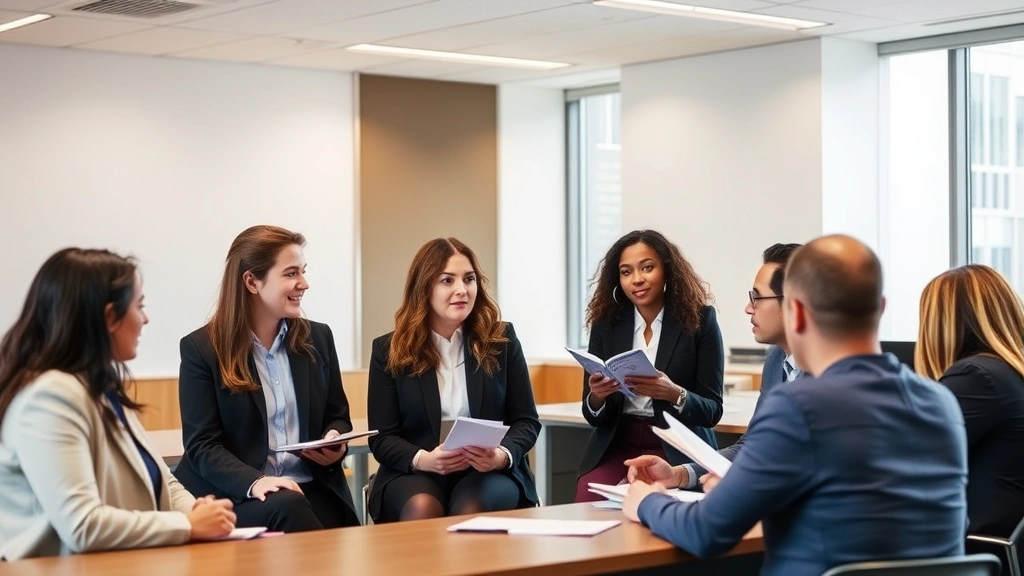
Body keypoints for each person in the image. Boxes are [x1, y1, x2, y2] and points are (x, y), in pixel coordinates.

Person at [623, 235, 967, 576]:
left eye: (755, 298)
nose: (748, 308)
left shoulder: (800, 407)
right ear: (880, 309)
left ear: (796, 311)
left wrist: (646, 502)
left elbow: (706, 533)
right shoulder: (942, 403)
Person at [0, 248, 235, 560]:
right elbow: (82, 526)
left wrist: (195, 509)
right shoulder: (49, 397)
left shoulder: (100, 385)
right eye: (139, 306)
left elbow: (161, 476)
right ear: (110, 317)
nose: (145, 318)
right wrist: (187, 524)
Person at [175, 225, 359, 532]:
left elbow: (337, 417)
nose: (304, 283)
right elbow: (202, 446)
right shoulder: (201, 349)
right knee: (289, 506)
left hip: (310, 485)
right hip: (237, 494)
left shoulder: (319, 337)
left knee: (323, 517)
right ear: (252, 282)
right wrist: (257, 481)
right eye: (290, 273)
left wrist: (333, 443)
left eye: (303, 271)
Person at [367, 238, 540, 523]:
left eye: (469, 279)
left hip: (489, 470)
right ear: (424, 288)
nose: (462, 290)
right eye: (447, 280)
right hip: (416, 469)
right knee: (422, 508)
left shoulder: (502, 340)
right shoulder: (389, 350)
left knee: (470, 509)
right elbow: (383, 438)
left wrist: (501, 455)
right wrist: (424, 459)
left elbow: (526, 421)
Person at [627, 243, 802, 490]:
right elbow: (752, 446)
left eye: (757, 298)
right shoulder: (776, 360)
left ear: (794, 304)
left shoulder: (829, 376)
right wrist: (678, 475)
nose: (748, 308)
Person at [576, 229, 724, 503]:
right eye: (626, 272)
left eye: (647, 268)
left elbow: (713, 411)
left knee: (661, 509)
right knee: (588, 500)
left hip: (677, 443)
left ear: (666, 270)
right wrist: (597, 396)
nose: (637, 279)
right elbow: (593, 415)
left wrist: (674, 393)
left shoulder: (700, 321)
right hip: (619, 440)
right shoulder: (606, 324)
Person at [917, 265, 1024, 539]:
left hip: (976, 554)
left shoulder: (978, 377)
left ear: (939, 325)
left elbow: (909, 457)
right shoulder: (1009, 374)